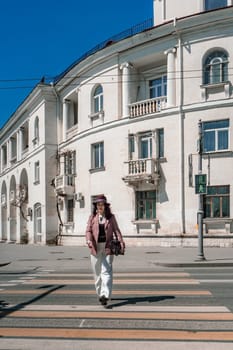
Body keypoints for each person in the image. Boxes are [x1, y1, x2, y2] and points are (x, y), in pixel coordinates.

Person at [85, 194, 125, 306]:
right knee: (97, 273)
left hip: (108, 247)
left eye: (102, 204)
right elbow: (88, 231)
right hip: (95, 247)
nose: (100, 206)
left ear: (105, 206)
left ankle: (105, 295)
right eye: (98, 204)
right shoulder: (92, 217)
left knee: (106, 271)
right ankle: (100, 294)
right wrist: (88, 240)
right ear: (96, 206)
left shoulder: (111, 217)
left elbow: (116, 230)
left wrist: (121, 242)